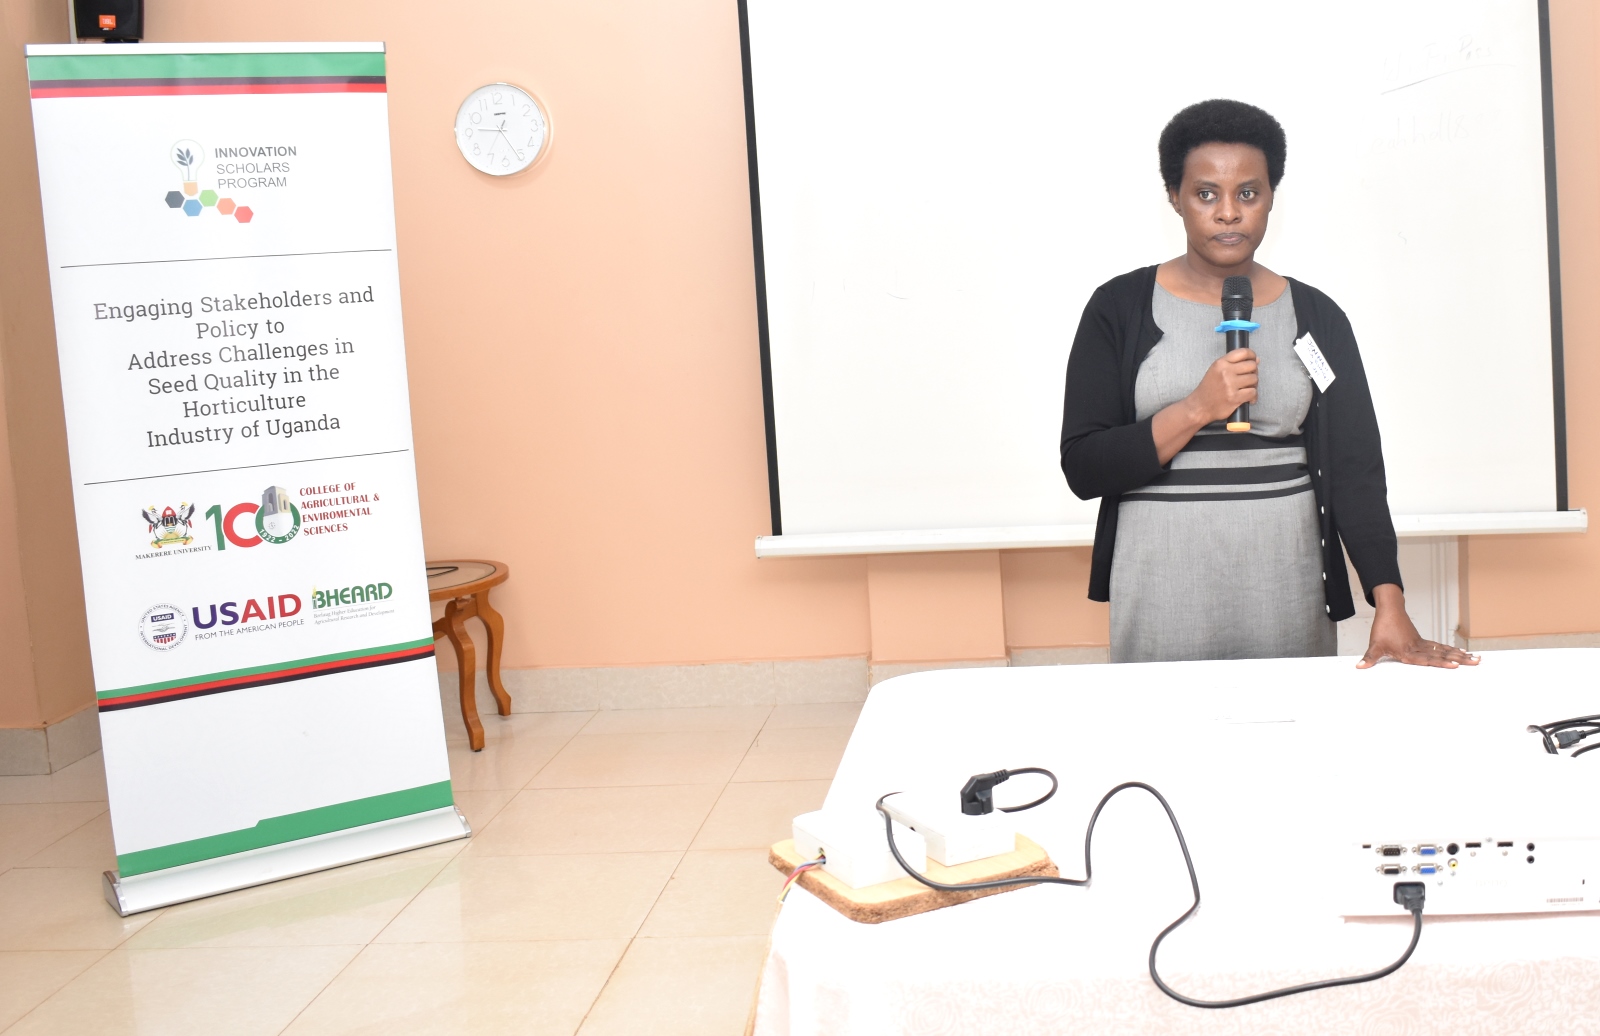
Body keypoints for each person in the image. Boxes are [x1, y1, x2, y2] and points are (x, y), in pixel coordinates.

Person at [1059, 98, 1477, 669]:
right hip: (1161, 583)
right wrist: (1197, 407)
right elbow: (1083, 466)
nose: (1228, 213)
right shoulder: (1118, 307)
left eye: (1247, 194)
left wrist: (1389, 599)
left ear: (1271, 199)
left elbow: (1355, 468)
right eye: (1206, 194)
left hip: (1285, 581)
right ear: (1175, 199)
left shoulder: (1316, 316)